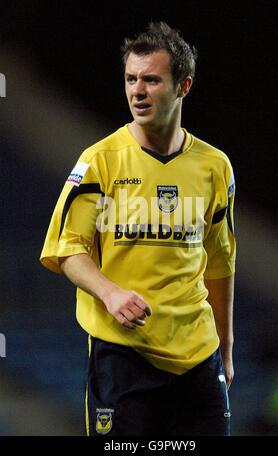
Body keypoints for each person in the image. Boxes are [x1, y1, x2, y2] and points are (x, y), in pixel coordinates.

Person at [40, 21, 236, 436]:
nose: (137, 90)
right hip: (123, 356)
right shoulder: (99, 161)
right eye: (131, 79)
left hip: (199, 359)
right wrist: (110, 294)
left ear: (183, 86)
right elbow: (66, 249)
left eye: (151, 79)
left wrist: (227, 347)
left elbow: (219, 262)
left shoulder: (215, 167)